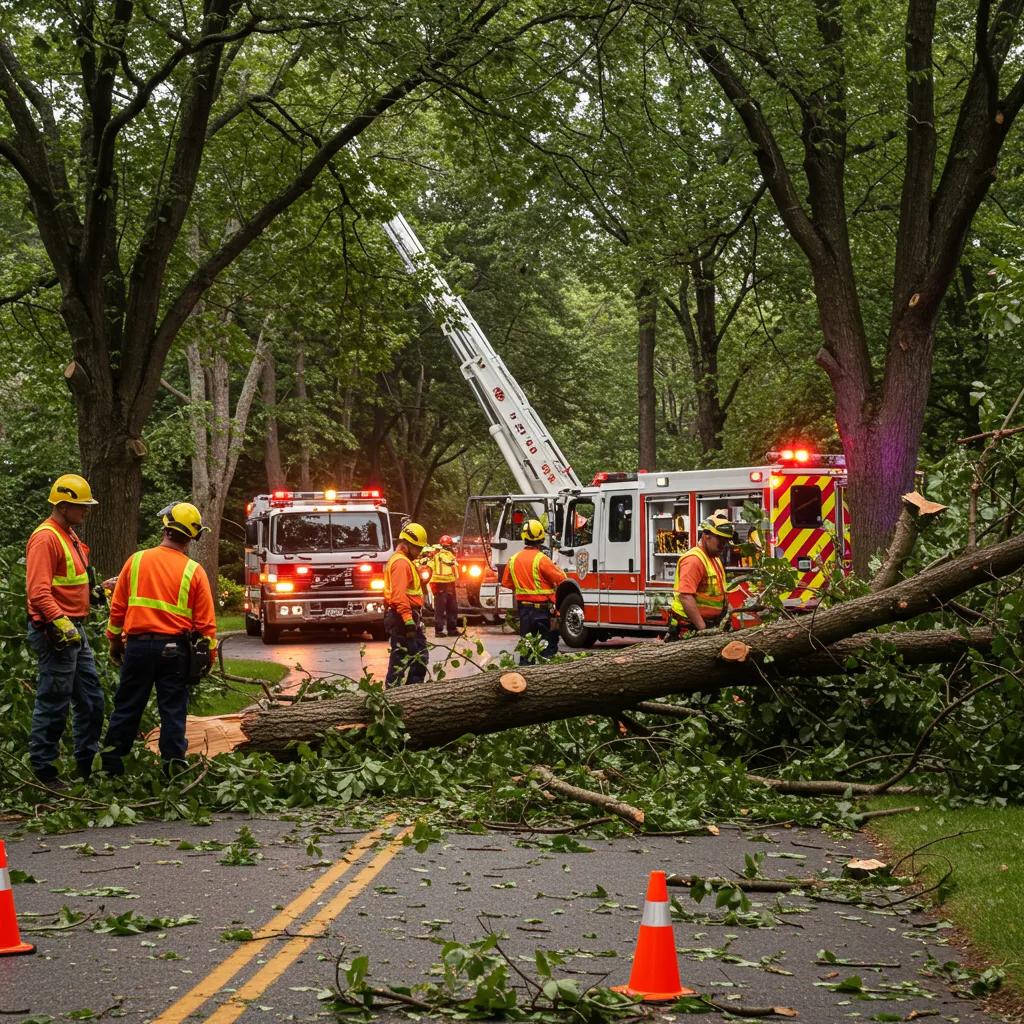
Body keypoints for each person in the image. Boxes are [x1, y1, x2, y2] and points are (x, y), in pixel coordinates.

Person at [101, 503, 217, 777]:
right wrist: (208, 657)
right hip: (175, 651)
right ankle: (173, 770)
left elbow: (118, 609)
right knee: (173, 712)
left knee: (127, 708)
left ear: (165, 528)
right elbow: (206, 624)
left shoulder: (137, 560)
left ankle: (110, 770)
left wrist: (115, 642)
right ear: (192, 536)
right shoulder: (194, 571)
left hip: (138, 647)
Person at [25, 474, 106, 788]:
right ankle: (44, 771)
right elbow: (39, 593)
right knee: (54, 701)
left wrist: (97, 594)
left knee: (92, 700)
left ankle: (86, 765)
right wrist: (62, 624)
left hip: (74, 630)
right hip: (55, 633)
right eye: (80, 506)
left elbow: (73, 584)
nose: (86, 511)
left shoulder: (69, 535)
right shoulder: (45, 538)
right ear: (62, 505)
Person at [501, 519, 566, 663]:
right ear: (541, 538)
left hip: (524, 610)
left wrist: (525, 589)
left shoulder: (513, 559)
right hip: (543, 611)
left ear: (524, 537)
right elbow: (561, 578)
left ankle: (526, 676)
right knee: (547, 647)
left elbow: (507, 583)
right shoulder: (542, 559)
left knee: (527, 647)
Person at [665, 510, 734, 641]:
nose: (723, 545)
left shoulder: (714, 557)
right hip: (690, 626)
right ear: (706, 535)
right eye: (720, 540)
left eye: (726, 541)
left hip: (710, 623)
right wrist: (703, 629)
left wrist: (729, 614)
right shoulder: (693, 560)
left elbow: (720, 594)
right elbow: (685, 596)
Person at [383, 522, 429, 686]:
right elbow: (399, 595)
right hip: (403, 617)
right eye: (418, 548)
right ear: (408, 545)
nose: (420, 552)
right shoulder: (401, 563)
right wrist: (408, 620)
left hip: (403, 616)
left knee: (412, 657)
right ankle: (402, 695)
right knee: (410, 659)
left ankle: (404, 694)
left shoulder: (402, 561)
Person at [426, 535, 460, 637]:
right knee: (442, 609)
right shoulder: (437, 555)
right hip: (441, 584)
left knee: (451, 607)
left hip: (448, 584)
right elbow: (430, 567)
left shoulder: (447, 555)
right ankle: (440, 630)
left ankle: (451, 629)